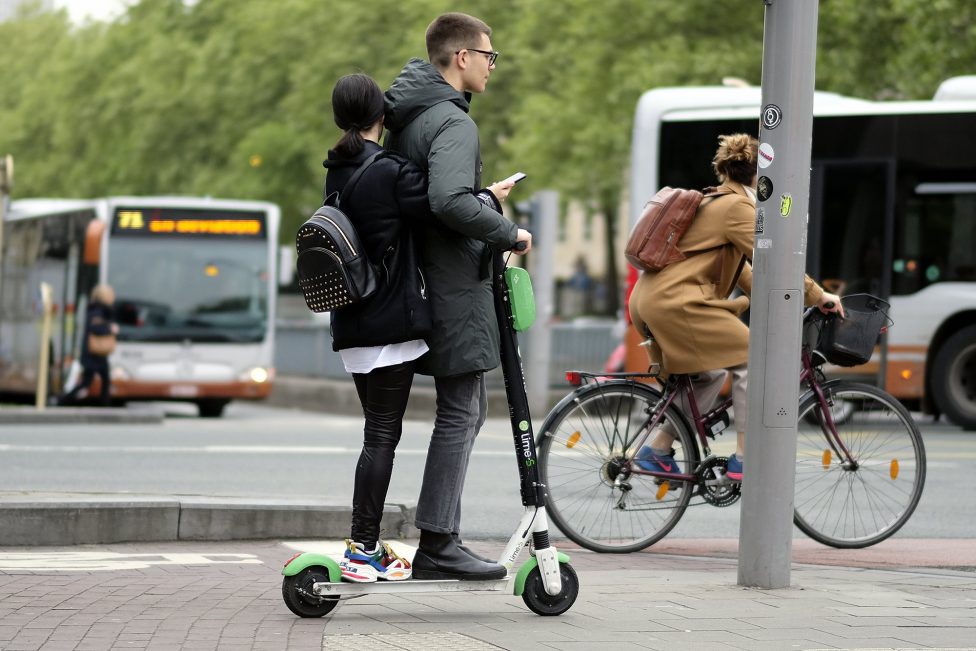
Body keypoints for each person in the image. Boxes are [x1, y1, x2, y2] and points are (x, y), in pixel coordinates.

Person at [384, 12, 532, 580]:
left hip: (427, 280)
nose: (493, 66)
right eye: (489, 56)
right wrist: (505, 227)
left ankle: (441, 536)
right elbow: (448, 202)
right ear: (462, 58)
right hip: (453, 286)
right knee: (460, 413)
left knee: (468, 412)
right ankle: (439, 542)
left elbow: (438, 197)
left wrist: (482, 197)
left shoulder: (411, 119)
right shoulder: (453, 122)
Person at [628, 134, 843, 482]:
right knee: (752, 359)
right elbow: (771, 261)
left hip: (651, 300)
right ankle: (744, 459)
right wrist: (819, 296)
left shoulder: (715, 201)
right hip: (677, 303)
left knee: (709, 374)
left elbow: (746, 272)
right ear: (759, 176)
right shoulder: (737, 208)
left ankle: (658, 449)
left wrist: (785, 300)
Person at [322, 73, 434, 583]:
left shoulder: (337, 172)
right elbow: (441, 212)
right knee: (381, 438)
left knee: (377, 435)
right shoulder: (391, 170)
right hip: (390, 325)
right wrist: (491, 198)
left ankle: (366, 543)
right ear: (381, 117)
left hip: (351, 323)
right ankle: (361, 546)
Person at [59, 284, 117, 406]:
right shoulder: (98, 310)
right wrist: (110, 329)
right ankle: (63, 401)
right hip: (93, 353)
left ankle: (64, 400)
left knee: (96, 380)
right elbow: (95, 327)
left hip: (95, 353)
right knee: (92, 381)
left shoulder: (98, 309)